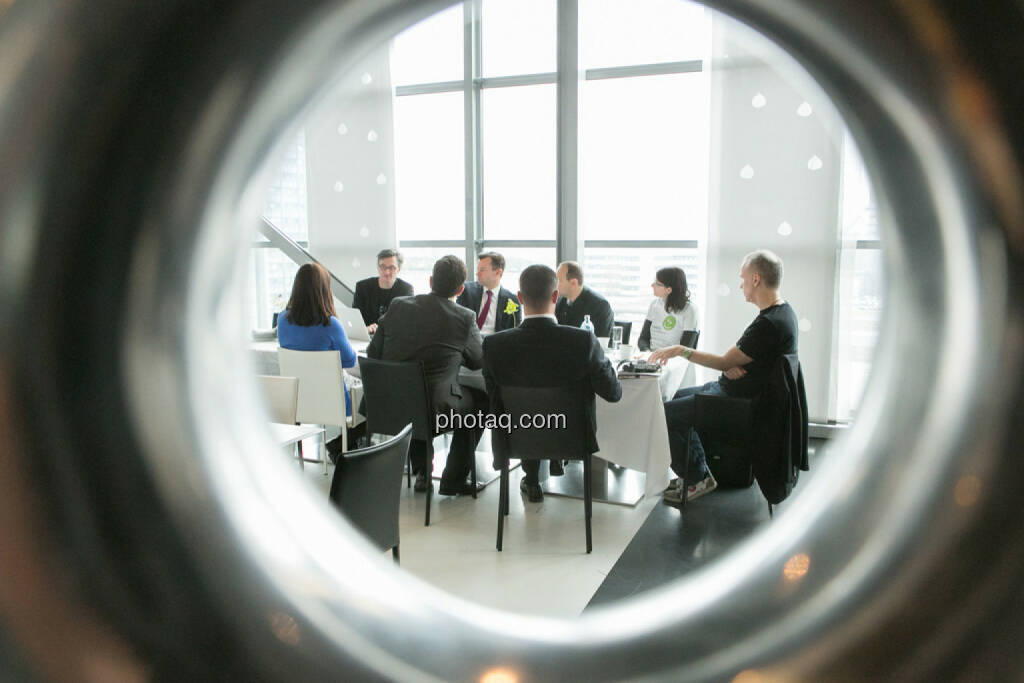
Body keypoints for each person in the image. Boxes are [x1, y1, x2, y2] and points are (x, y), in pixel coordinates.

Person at [650, 250, 798, 506]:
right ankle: (696, 472)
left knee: (663, 414)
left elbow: (724, 361)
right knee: (675, 399)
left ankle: (697, 478)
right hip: (735, 389)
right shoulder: (782, 313)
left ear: (755, 279)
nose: (740, 285)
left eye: (742, 278)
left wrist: (679, 350)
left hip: (737, 400)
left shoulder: (768, 324)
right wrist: (733, 366)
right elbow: (741, 361)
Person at [483, 265, 622, 502]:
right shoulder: (582, 341)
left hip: (514, 438)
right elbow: (613, 393)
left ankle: (531, 478)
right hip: (572, 439)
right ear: (555, 296)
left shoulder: (494, 345)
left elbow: (494, 399)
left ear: (519, 298)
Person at [366, 255, 487, 496]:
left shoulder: (399, 304)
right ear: (461, 289)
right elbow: (478, 361)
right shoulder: (464, 317)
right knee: (481, 402)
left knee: (416, 394)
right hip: (433, 411)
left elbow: (373, 352)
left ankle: (423, 472)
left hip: (388, 405)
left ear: (431, 280)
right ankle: (453, 478)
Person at [277, 262, 358, 457]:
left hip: (297, 399)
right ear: (324, 290)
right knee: (369, 395)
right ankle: (345, 446)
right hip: (332, 401)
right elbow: (349, 361)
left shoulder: (282, 319)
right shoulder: (330, 324)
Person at [456, 251, 522, 335]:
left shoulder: (512, 300)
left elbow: (514, 332)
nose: (477, 273)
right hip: (469, 344)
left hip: (496, 345)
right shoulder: (466, 291)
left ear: (498, 272)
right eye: (478, 269)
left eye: (482, 270)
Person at [637, 267, 700, 351]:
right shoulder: (654, 304)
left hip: (675, 361)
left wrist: (662, 357)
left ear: (669, 290)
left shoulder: (690, 310)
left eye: (657, 283)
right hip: (652, 358)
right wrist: (647, 353)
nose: (652, 285)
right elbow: (643, 339)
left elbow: (685, 349)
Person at [351, 248, 414, 334]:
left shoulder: (406, 289)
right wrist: (366, 329)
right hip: (367, 335)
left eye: (392, 267)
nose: (386, 272)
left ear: (398, 269)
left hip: (393, 337)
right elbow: (356, 319)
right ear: (378, 267)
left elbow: (406, 321)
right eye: (383, 267)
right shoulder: (362, 287)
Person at [554, 261, 615, 337]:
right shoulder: (559, 302)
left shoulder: (600, 306)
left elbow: (601, 343)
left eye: (559, 280)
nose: (555, 284)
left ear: (574, 283)